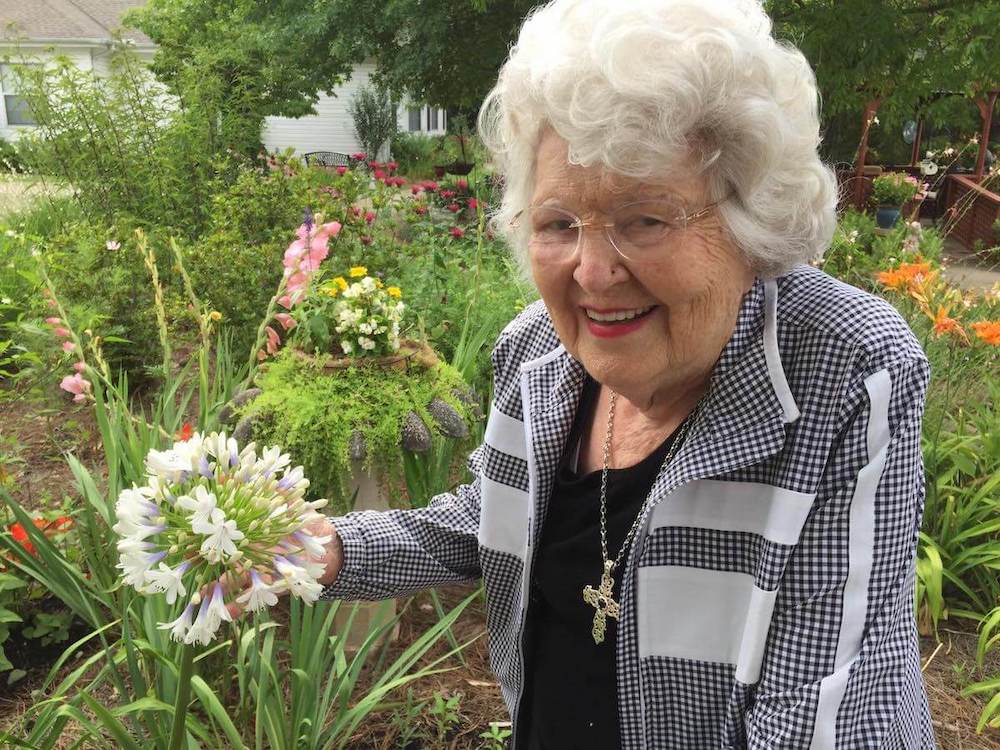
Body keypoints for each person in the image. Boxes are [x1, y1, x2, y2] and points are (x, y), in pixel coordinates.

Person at [303, 0, 937, 746]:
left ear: (750, 222)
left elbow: (819, 722)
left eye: (646, 219)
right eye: (558, 224)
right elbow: (495, 517)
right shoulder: (536, 352)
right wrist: (326, 548)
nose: (594, 272)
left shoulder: (841, 368)